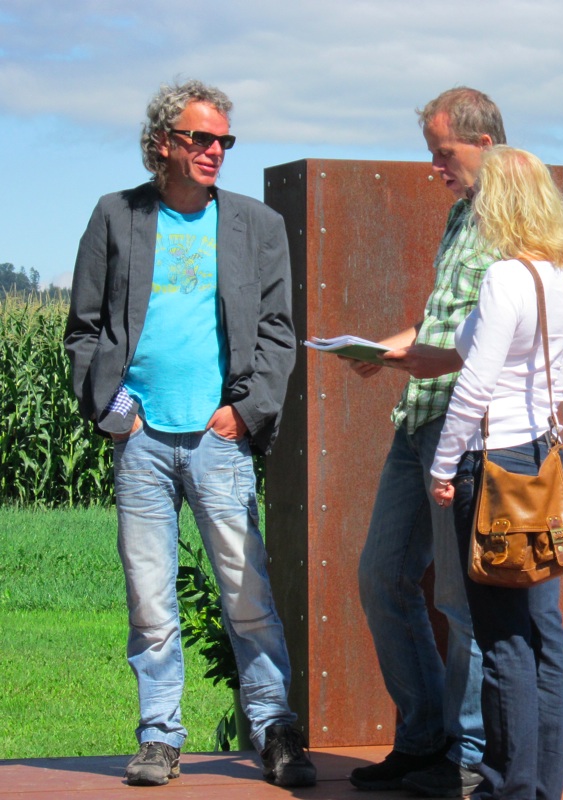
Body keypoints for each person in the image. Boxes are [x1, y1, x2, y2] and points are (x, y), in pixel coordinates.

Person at [64, 79, 315, 789]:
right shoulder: (116, 216)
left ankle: (275, 729)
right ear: (162, 143)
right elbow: (84, 331)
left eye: (223, 140)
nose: (215, 150)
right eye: (200, 137)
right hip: (141, 442)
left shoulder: (256, 226)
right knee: (150, 600)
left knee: (247, 593)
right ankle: (159, 736)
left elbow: (278, 334)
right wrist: (116, 412)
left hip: (219, 440)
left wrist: (245, 412)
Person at [348, 87, 504, 797]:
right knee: (382, 576)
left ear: (485, 144)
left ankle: (466, 758)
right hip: (416, 419)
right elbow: (440, 318)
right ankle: (422, 740)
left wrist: (430, 359)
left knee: (460, 600)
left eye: (443, 153)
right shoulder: (459, 215)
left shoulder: (516, 220)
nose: (434, 167)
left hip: (463, 426)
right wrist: (384, 350)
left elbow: (500, 338)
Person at [430, 145, 563, 800]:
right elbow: (555, 380)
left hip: (491, 466)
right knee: (543, 633)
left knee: (502, 640)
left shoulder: (502, 279)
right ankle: (543, 786)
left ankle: (506, 788)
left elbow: (475, 385)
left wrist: (442, 466)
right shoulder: (557, 279)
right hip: (541, 460)